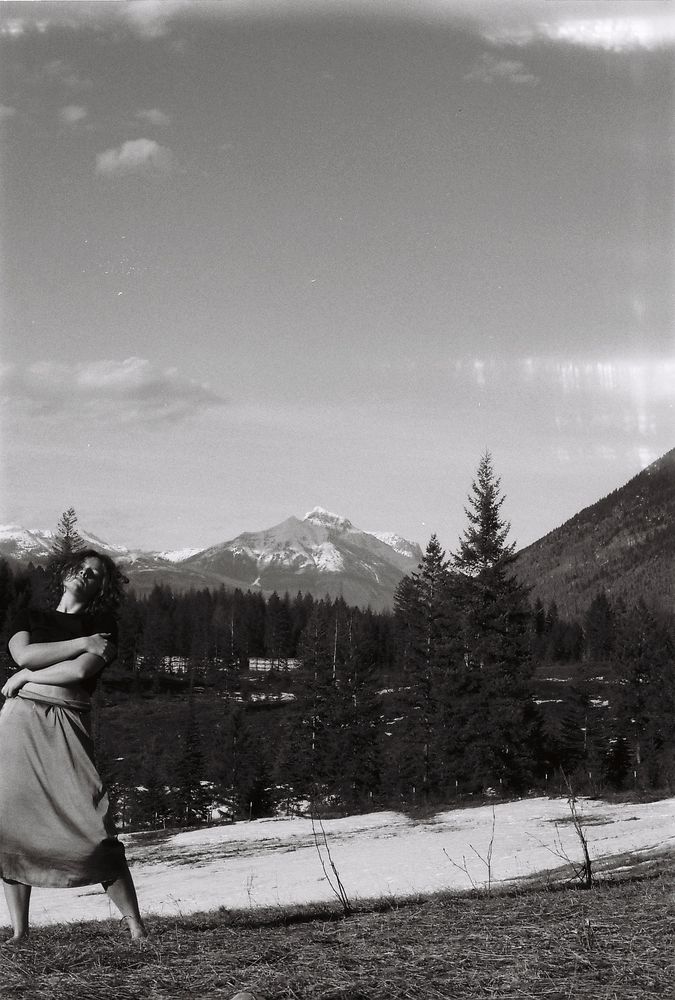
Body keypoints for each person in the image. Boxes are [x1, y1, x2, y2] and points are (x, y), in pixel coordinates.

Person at [0, 549, 147, 943]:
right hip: (18, 724)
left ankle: (136, 926)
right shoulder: (32, 617)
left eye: (95, 574)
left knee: (91, 821)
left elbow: (81, 671)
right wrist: (81, 642)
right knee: (11, 825)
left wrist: (22, 679)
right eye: (80, 569)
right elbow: (24, 654)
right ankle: (20, 931)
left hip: (67, 720)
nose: (85, 575)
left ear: (102, 586)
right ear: (65, 573)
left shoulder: (103, 622)